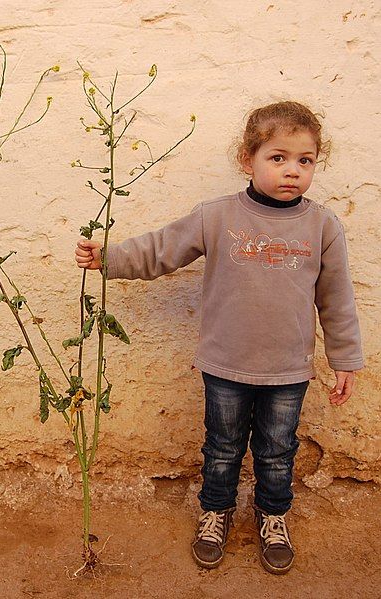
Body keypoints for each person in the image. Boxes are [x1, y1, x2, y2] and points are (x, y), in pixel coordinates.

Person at [74, 101, 364, 575]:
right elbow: (161, 250)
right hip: (225, 365)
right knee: (223, 446)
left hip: (288, 371)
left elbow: (337, 299)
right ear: (247, 160)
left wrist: (345, 360)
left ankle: (273, 516)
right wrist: (109, 258)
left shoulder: (322, 226)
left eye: (305, 160)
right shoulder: (217, 216)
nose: (292, 170)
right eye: (278, 157)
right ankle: (216, 512)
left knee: (277, 451)